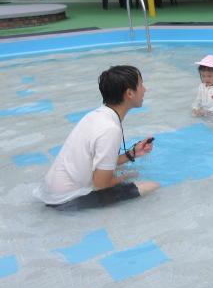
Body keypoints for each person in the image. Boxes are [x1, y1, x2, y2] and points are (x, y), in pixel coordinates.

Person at [34, 65, 159, 210]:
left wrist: (132, 154)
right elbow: (101, 185)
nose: (145, 89)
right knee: (152, 185)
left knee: (123, 173)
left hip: (49, 192)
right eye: (141, 84)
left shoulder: (95, 115)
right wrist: (126, 177)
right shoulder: (110, 130)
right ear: (130, 93)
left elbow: (97, 161)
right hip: (65, 201)